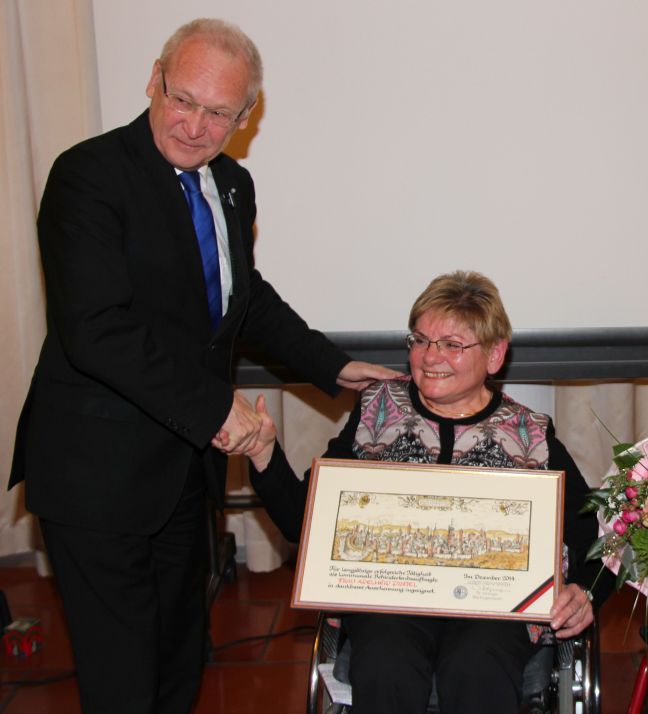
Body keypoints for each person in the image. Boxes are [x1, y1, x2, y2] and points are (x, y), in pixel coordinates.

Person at [7, 18, 396, 714]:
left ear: (244, 118)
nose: (193, 125)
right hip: (96, 471)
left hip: (186, 469)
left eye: (217, 112)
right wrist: (220, 409)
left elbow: (241, 298)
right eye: (182, 99)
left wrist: (331, 366)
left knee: (182, 653)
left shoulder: (232, 184)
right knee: (122, 671)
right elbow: (98, 329)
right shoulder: (88, 177)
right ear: (154, 80)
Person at [245, 270, 607, 714]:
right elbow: (305, 521)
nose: (430, 357)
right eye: (420, 340)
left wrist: (585, 593)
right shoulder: (377, 412)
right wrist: (264, 455)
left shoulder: (529, 433)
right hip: (390, 602)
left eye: (452, 345)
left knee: (476, 667)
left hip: (492, 610)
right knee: (385, 662)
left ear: (495, 355)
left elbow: (593, 534)